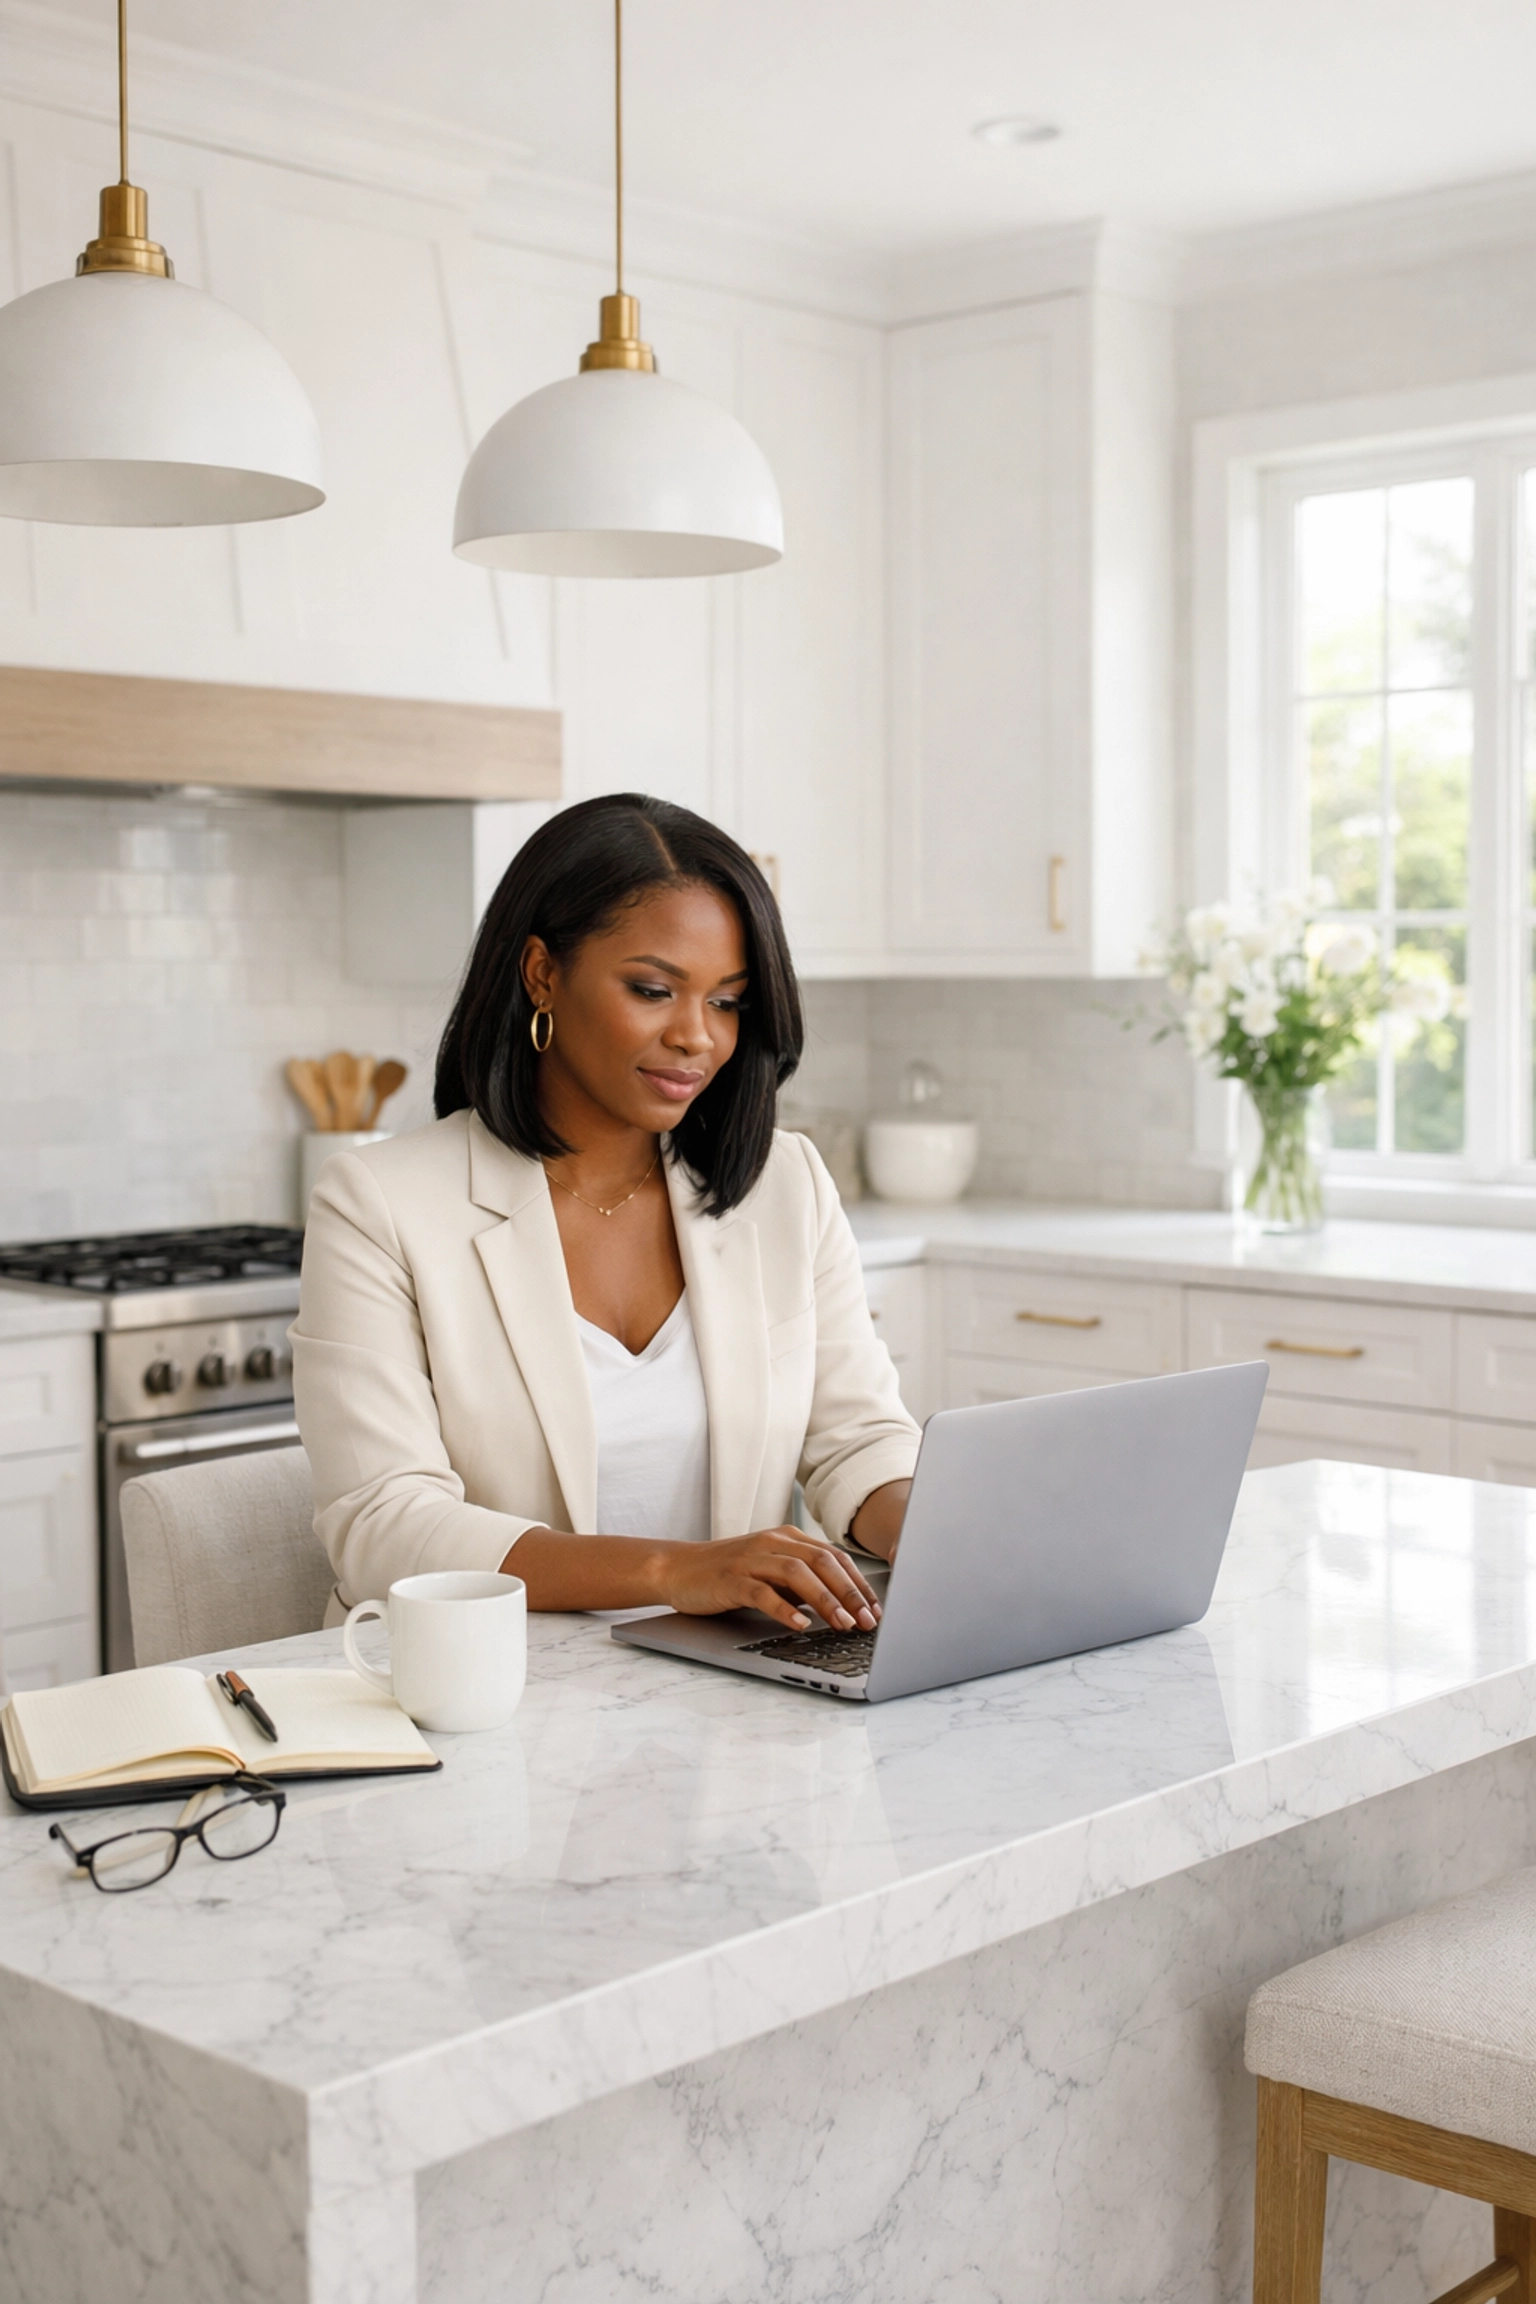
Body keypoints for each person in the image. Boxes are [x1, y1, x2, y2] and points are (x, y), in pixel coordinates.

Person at [293, 793, 919, 1638]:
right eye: (655, 989)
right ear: (543, 973)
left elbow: (857, 1441)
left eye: (728, 1001)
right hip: (476, 1692)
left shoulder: (785, 1183)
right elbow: (383, 1525)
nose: (699, 1037)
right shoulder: (380, 1203)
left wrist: (952, 1528)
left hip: (728, 1687)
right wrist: (678, 1570)